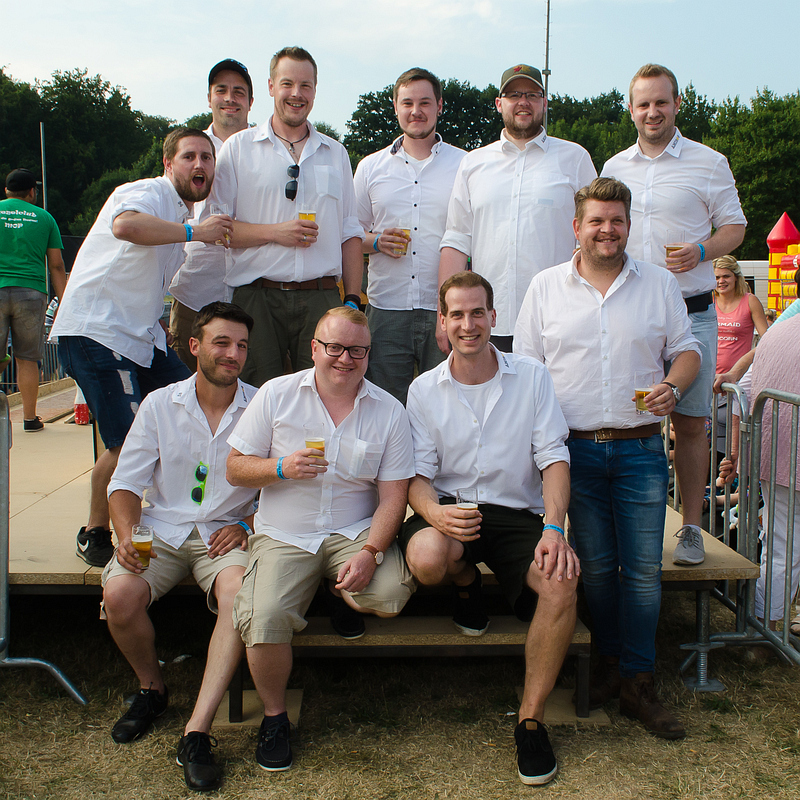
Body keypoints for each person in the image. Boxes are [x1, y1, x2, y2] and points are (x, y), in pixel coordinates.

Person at [515, 177, 701, 740]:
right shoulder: (545, 287)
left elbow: (688, 350)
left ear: (628, 225)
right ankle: (610, 668)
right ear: (577, 227)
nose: (607, 229)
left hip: (640, 447)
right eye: (596, 220)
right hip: (572, 451)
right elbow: (526, 368)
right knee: (595, 569)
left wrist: (673, 384)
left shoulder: (659, 283)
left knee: (643, 573)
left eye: (617, 220)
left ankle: (639, 682)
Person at [400, 271, 576, 785]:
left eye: (477, 312)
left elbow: (553, 457)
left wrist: (554, 528)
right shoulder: (423, 389)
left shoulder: (532, 376)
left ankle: (530, 720)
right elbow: (417, 476)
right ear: (442, 322)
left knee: (562, 582)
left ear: (494, 317)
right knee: (427, 557)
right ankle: (465, 580)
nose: (468, 324)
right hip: (451, 509)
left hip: (515, 514)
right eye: (456, 314)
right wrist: (434, 514)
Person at [226, 306, 415, 772]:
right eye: (334, 347)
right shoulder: (276, 394)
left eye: (357, 350)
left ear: (369, 354)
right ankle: (275, 718)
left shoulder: (388, 411)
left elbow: (394, 497)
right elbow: (234, 467)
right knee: (265, 617)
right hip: (286, 534)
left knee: (390, 596)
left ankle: (333, 585)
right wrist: (279, 467)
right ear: (314, 348)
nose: (345, 359)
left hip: (353, 532)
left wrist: (371, 551)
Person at [50, 128, 233, 567]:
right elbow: (125, 226)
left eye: (207, 158)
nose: (200, 165)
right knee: (127, 442)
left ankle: (186, 508)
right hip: (99, 331)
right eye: (189, 156)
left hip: (141, 337)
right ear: (168, 164)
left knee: (195, 404)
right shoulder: (148, 192)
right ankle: (96, 530)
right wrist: (195, 231)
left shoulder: (178, 215)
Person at [103, 302, 256, 791]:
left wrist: (248, 523)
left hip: (225, 531)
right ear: (194, 346)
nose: (232, 354)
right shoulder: (159, 404)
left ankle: (197, 729)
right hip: (160, 528)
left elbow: (282, 488)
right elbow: (124, 483)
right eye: (221, 342)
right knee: (120, 595)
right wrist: (126, 535)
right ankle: (152, 687)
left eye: (241, 345)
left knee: (238, 594)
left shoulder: (263, 406)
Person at [601, 64, 747, 566]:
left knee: (689, 424)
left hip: (692, 312)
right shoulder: (614, 166)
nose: (652, 112)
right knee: (626, 420)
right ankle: (620, 525)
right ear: (631, 109)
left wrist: (702, 251)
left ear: (677, 104)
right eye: (643, 104)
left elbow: (735, 227)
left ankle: (691, 528)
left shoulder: (709, 162)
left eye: (661, 102)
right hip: (630, 314)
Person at [210, 46, 363, 387]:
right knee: (255, 396)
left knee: (325, 393)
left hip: (321, 296)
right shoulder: (238, 148)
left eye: (305, 85)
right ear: (270, 87)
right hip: (256, 296)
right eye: (287, 84)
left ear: (315, 90)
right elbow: (218, 230)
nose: (297, 94)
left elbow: (350, 231)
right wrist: (275, 233)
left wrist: (352, 300)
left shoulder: (335, 153)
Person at [438, 64, 596, 353]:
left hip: (559, 319)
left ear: (544, 102)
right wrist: (445, 314)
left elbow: (592, 237)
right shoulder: (473, 164)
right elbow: (457, 240)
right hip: (487, 322)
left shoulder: (575, 159)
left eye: (532, 95)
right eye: (513, 95)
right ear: (499, 104)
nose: (523, 102)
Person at [353, 68, 465, 403]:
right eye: (407, 103)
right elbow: (350, 235)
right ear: (395, 107)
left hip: (443, 308)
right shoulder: (370, 167)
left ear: (439, 106)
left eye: (425, 102)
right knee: (385, 406)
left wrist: (451, 311)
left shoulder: (465, 165)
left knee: (445, 405)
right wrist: (376, 241)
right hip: (386, 308)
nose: (416, 111)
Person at [169, 59, 255, 371]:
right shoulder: (189, 150)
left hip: (254, 294)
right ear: (209, 98)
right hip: (196, 290)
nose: (230, 98)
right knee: (186, 384)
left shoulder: (267, 151)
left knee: (251, 386)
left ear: (251, 101)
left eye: (239, 92)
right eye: (221, 90)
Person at [720, 315, 800, 635]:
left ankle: (763, 628)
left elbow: (742, 391)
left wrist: (735, 452)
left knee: (779, 548)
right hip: (779, 455)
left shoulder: (778, 331)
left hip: (774, 454)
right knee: (781, 548)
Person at [0, 168, 66, 431]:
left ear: (6, 191)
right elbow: (57, 265)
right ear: (31, 192)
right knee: (27, 358)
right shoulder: (45, 218)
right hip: (31, 292)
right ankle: (29, 419)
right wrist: (63, 301)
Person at [713, 255, 767, 375]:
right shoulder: (709, 302)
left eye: (726, 276)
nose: (721, 281)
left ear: (736, 277)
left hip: (738, 377)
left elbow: (767, 339)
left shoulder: (750, 301)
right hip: (709, 375)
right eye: (717, 277)